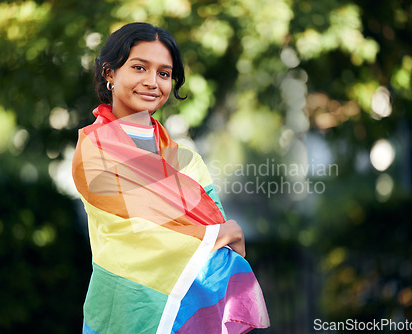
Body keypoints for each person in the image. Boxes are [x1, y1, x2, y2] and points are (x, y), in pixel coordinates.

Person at [72, 22, 269, 333]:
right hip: (122, 309)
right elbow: (134, 236)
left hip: (190, 312)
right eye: (139, 67)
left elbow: (222, 247)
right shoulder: (95, 148)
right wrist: (217, 235)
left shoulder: (186, 160)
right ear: (109, 73)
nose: (152, 82)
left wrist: (217, 236)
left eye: (164, 73)